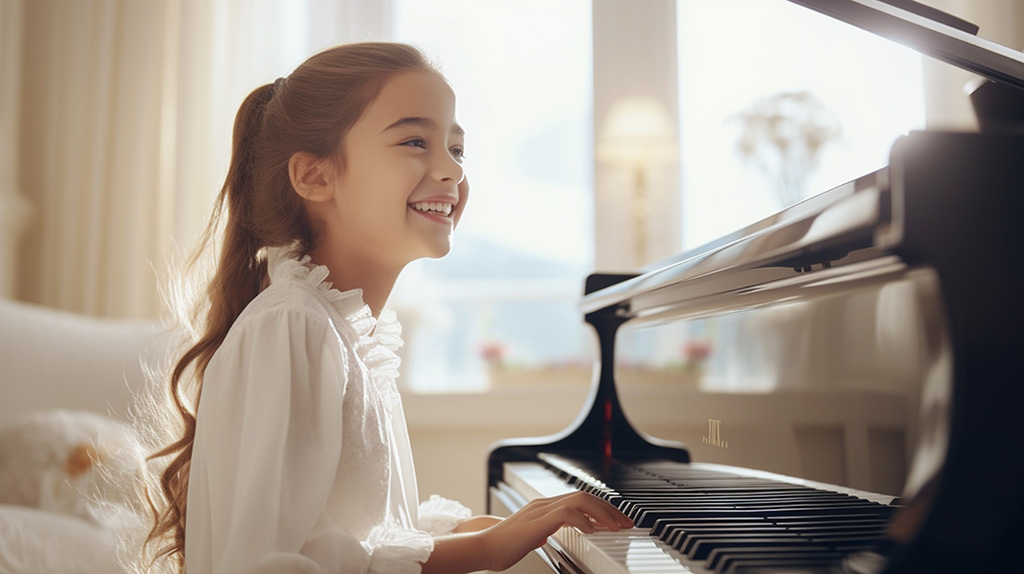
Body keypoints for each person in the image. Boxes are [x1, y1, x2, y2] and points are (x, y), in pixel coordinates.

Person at [141, 42, 631, 574]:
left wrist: (480, 529)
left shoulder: (346, 333)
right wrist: (486, 550)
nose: (451, 171)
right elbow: (271, 563)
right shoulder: (293, 326)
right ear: (315, 177)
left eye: (457, 149)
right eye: (416, 141)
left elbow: (356, 529)